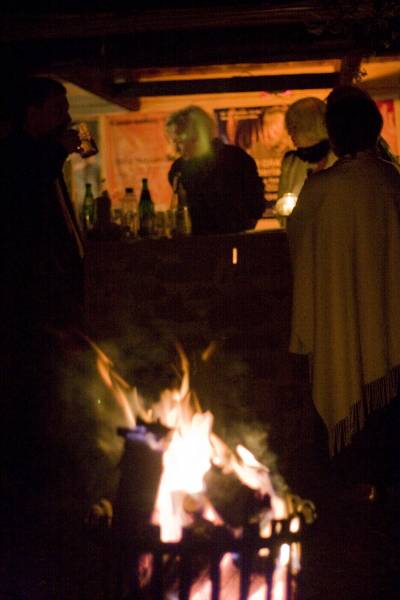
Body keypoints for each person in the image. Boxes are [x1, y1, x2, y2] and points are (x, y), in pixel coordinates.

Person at [287, 85, 400, 490]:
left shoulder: (320, 190)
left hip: (339, 329)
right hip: (391, 335)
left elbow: (298, 245)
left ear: (333, 134)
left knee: (348, 472)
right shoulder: (392, 182)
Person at [166, 105, 265, 234]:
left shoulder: (236, 159)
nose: (176, 149)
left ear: (197, 136)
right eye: (174, 141)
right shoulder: (178, 168)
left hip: (228, 240)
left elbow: (255, 204)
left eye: (179, 141)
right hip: (209, 242)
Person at [278, 96, 337, 199]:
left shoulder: (339, 158)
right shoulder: (291, 162)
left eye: (295, 127)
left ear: (311, 126)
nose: (290, 133)